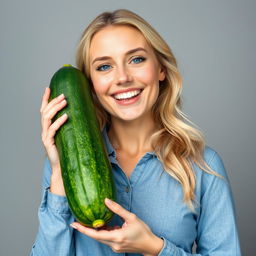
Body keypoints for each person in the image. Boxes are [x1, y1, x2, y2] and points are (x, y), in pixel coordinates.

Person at [30, 9, 241, 256]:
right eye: (104, 66)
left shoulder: (203, 166)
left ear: (161, 69)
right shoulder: (62, 169)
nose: (122, 77)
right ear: (90, 86)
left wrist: (155, 248)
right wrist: (58, 173)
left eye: (136, 59)